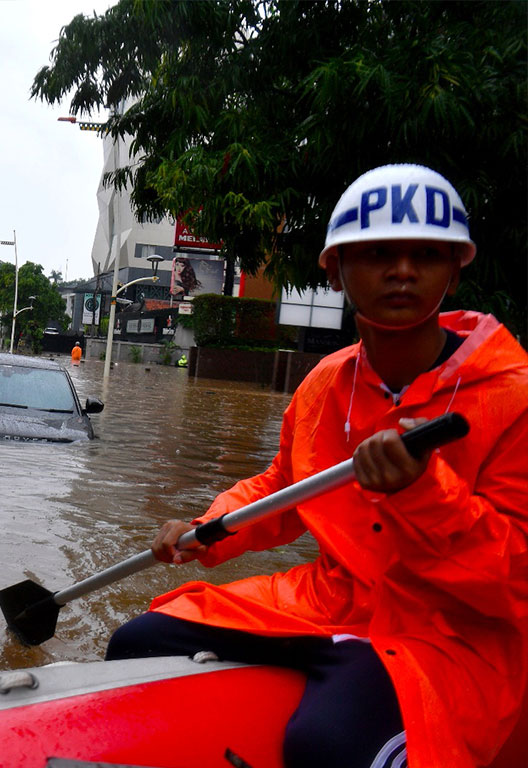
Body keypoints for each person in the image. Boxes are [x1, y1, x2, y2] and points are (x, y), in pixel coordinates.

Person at [106, 165, 528, 768]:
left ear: (457, 269)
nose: (402, 271)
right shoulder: (327, 381)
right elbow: (283, 487)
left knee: (326, 743)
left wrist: (425, 494)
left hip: (452, 638)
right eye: (377, 252)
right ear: (334, 269)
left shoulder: (514, 396)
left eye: (427, 254)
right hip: (332, 600)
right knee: (139, 641)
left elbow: (514, 584)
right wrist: (207, 528)